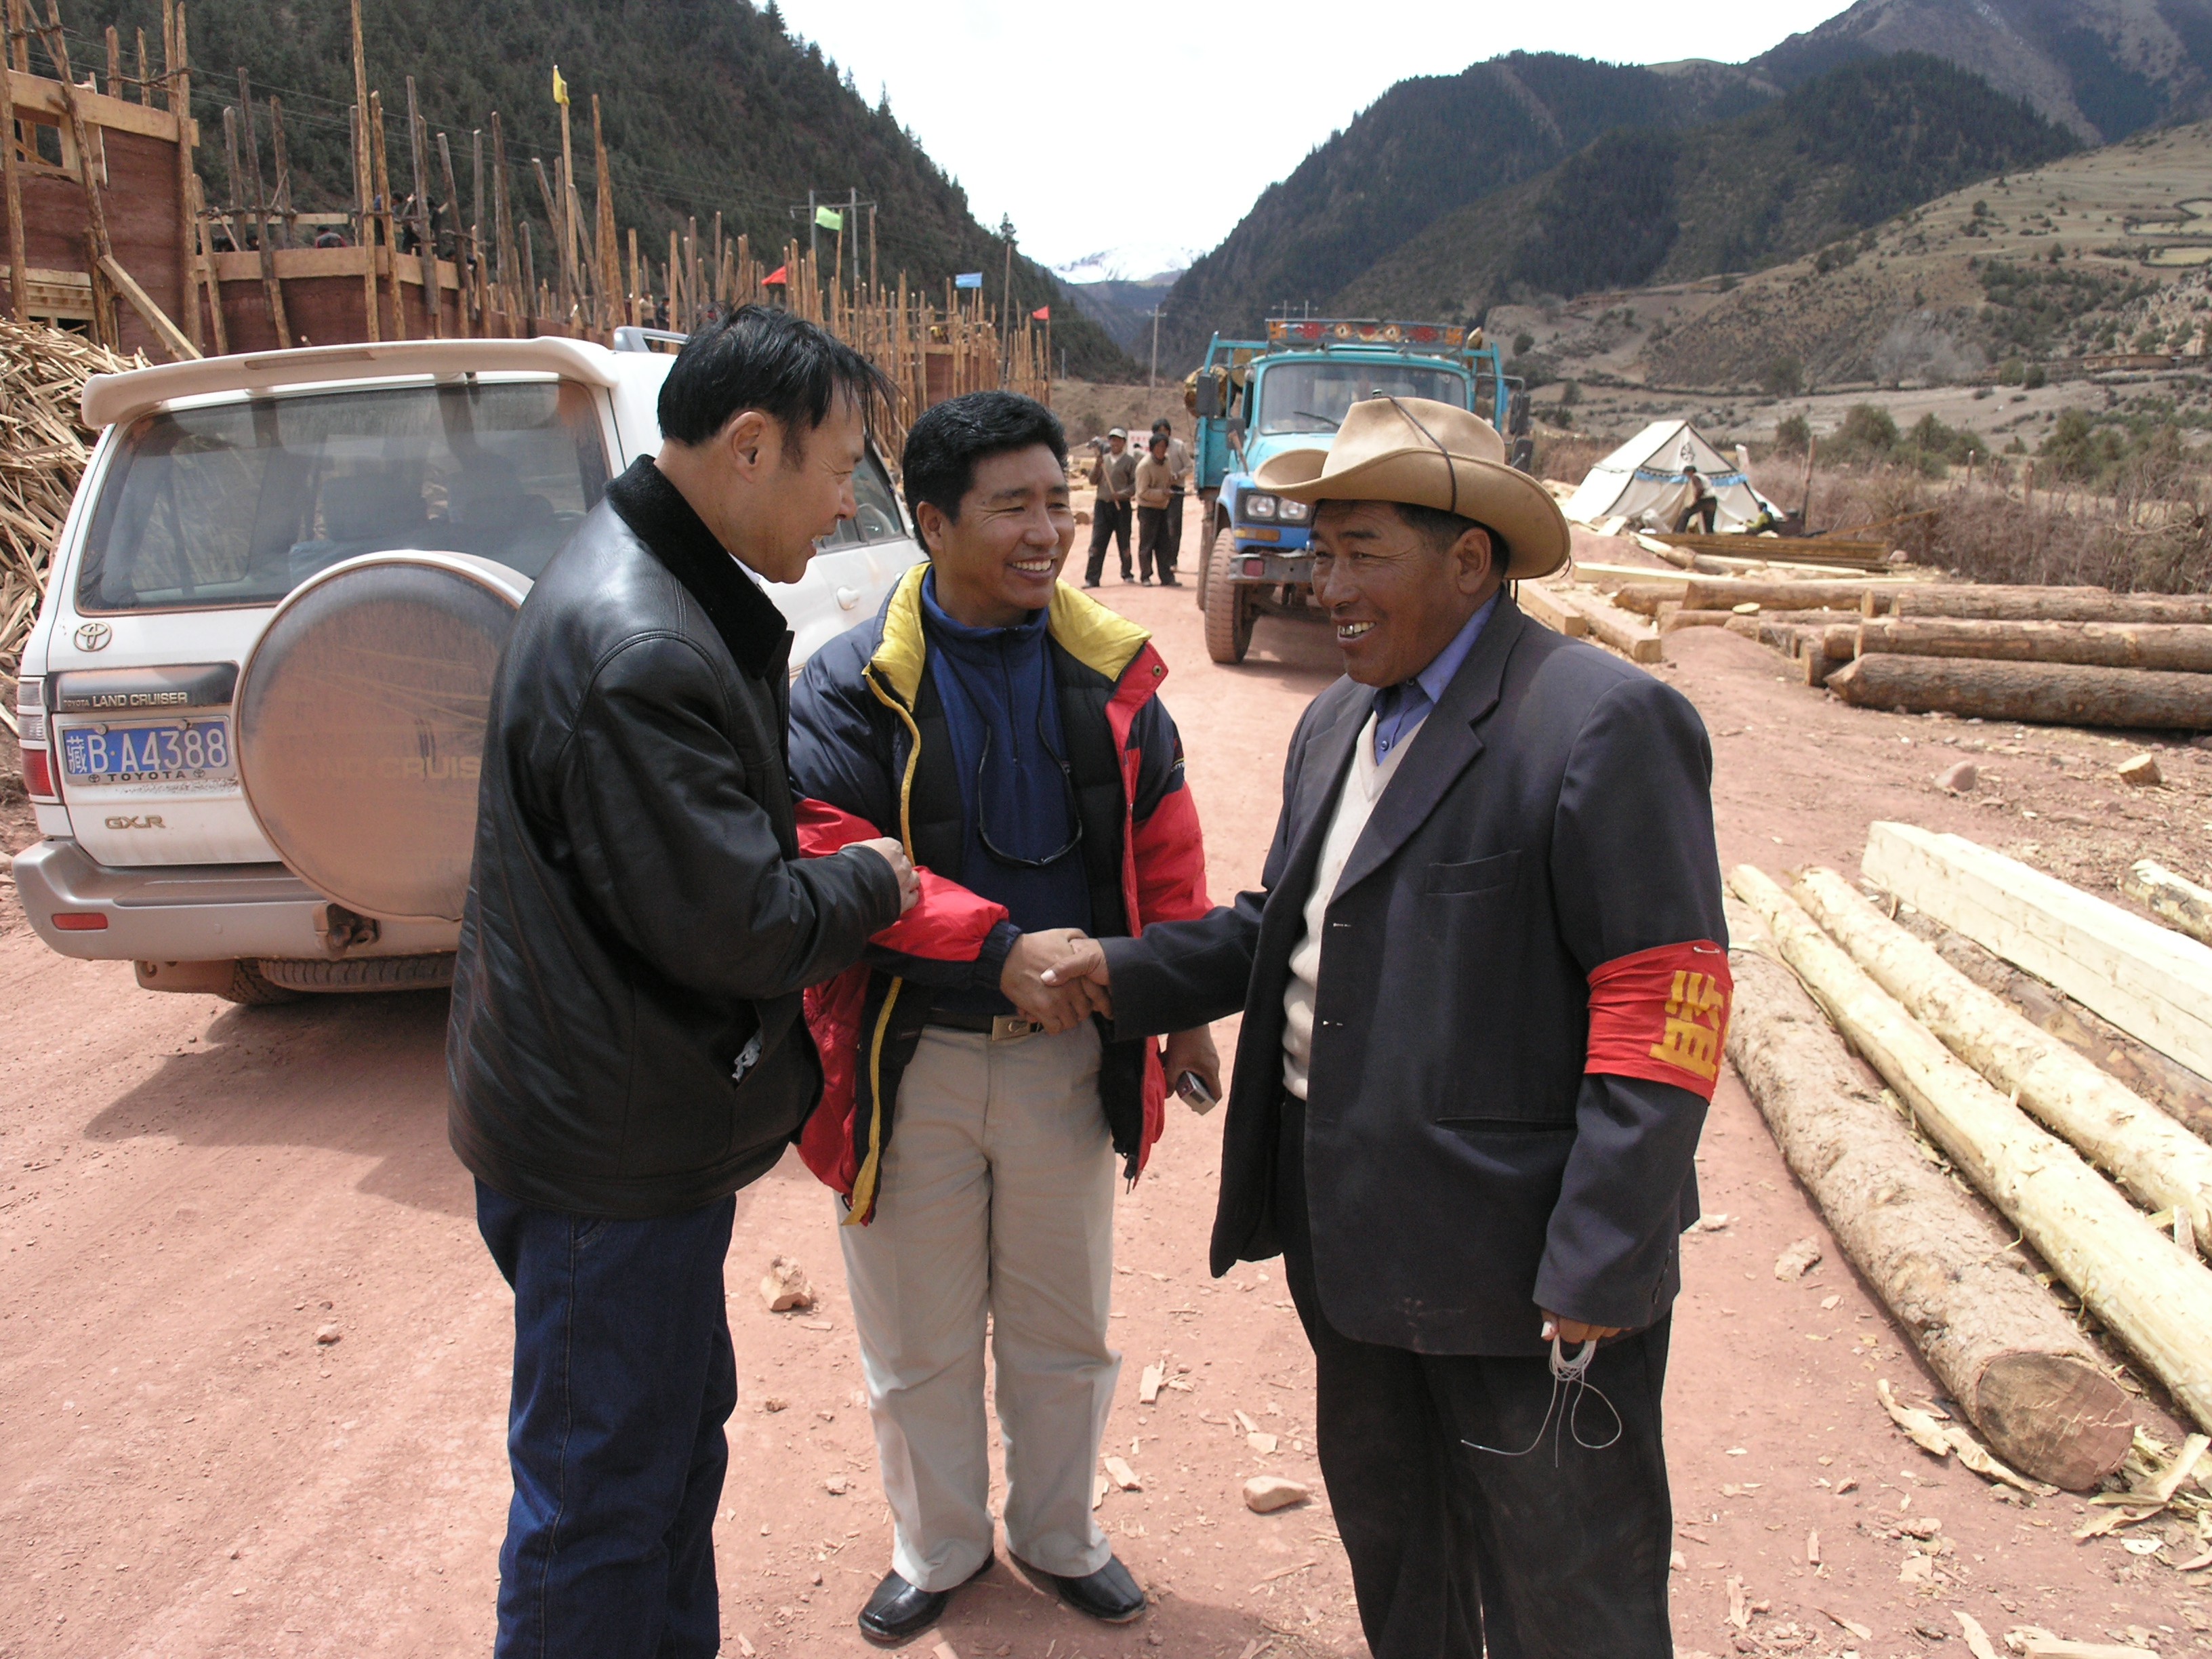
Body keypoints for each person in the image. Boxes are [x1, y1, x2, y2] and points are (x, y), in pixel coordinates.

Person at [1042, 396, 1727, 1659]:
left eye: (1363, 550)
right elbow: (1280, 925)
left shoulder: (1593, 722)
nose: (1326, 585)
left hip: (1516, 1260)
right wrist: (1118, 969)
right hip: (1347, 1228)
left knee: (1565, 1580)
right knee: (1399, 1544)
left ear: (1469, 560)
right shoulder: (1336, 720)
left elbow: (1661, 1004)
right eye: (1318, 549)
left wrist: (1598, 1256)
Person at [447, 306, 922, 1659]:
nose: (845, 505)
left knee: (661, 1457)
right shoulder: (642, 645)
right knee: (601, 1501)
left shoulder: (652, 582)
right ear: (753, 447)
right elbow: (747, 926)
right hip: (610, 1146)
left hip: (612, 1109)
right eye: (841, 471)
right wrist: (877, 880)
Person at [785, 390, 1217, 1646]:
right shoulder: (851, 679)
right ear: (931, 520)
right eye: (1012, 505)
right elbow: (831, 846)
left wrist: (1179, 1002)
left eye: (1058, 501)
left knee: (1060, 1325)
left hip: (1064, 1056)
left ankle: (1056, 1534)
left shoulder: (1110, 671)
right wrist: (995, 946)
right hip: (902, 1058)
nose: (1048, 532)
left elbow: (1165, 838)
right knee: (914, 1337)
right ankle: (938, 1544)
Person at [1083, 426, 1136, 586]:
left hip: (1122, 507)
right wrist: (1097, 466)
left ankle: (1127, 573)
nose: (1115, 443)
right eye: (1112, 439)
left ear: (1124, 443)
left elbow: (1135, 486)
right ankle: (1092, 578)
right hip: (1102, 506)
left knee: (1124, 541)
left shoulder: (1130, 462)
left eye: (1118, 440)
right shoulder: (1103, 461)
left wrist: (1121, 494)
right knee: (1097, 542)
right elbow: (1092, 481)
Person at [1133, 430, 1179, 586]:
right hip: (1148, 509)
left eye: (1164, 447)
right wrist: (1162, 493)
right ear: (1152, 448)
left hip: (1162, 508)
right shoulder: (1144, 466)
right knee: (1147, 544)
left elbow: (1167, 477)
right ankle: (1145, 576)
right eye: (1158, 447)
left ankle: (1167, 577)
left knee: (1164, 544)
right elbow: (1142, 492)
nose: (1161, 450)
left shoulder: (1166, 462)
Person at [1151, 417, 1191, 569]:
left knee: (1173, 526)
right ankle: (1160, 563)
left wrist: (1177, 476)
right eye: (1159, 432)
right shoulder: (1152, 447)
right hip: (1157, 492)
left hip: (1175, 490)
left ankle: (1172, 560)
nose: (1162, 434)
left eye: (1165, 431)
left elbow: (1189, 467)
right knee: (1158, 527)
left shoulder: (1179, 446)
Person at [1673, 463, 1717, 533]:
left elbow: (1700, 489)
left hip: (1704, 500)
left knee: (1686, 513)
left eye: (1687, 474)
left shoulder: (1695, 477)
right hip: (1712, 500)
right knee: (1708, 521)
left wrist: (1696, 500)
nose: (1687, 476)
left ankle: (1679, 532)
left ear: (1690, 472)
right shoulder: (1703, 476)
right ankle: (1710, 537)